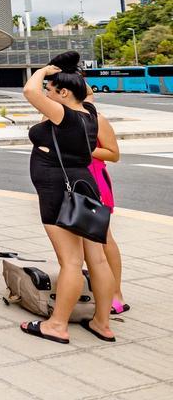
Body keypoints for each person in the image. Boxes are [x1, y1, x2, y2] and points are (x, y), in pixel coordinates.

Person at [20, 53, 118, 344]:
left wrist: (42, 71)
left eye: (51, 90)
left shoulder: (66, 115)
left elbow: (28, 91)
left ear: (63, 93)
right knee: (97, 259)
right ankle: (103, 322)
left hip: (59, 190)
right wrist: (65, 72)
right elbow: (83, 89)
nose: (46, 94)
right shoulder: (89, 112)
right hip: (85, 185)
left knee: (71, 261)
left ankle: (57, 325)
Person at [84, 90, 127, 315]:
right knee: (83, 242)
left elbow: (113, 153)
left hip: (94, 179)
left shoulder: (96, 118)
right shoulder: (59, 117)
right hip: (70, 181)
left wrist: (84, 148)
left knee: (103, 237)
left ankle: (116, 293)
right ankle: (101, 288)